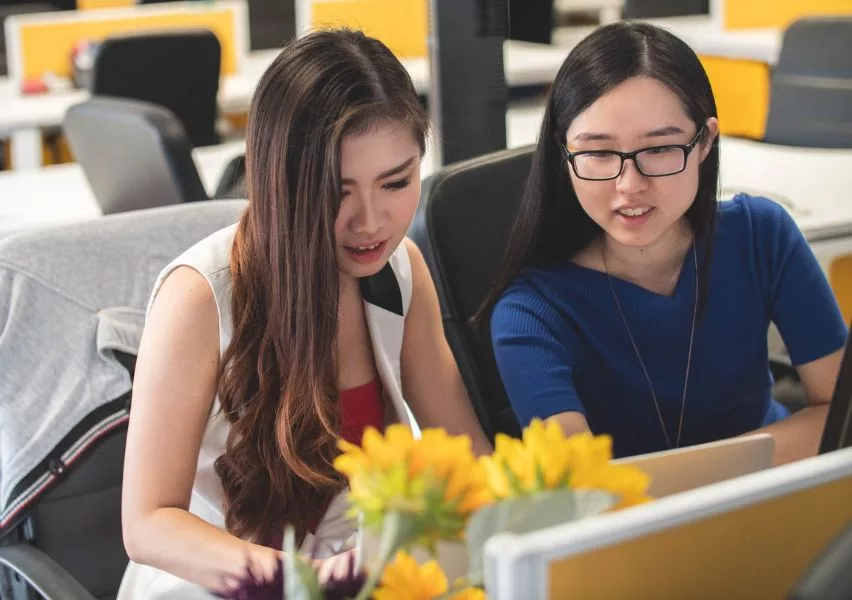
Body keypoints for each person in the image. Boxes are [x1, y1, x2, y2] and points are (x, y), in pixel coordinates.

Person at [118, 28, 491, 598]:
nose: (371, 221)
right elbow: (148, 524)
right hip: (220, 581)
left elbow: (467, 457)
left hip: (350, 573)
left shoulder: (400, 271)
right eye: (337, 191)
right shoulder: (200, 296)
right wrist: (303, 582)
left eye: (397, 182)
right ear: (280, 182)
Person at [482, 21, 847, 466]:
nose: (629, 185)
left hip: (773, 498)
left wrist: (700, 479)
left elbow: (839, 414)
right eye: (598, 153)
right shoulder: (530, 312)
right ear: (564, 155)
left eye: (659, 149)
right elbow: (580, 489)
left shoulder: (761, 236)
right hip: (638, 529)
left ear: (705, 142)